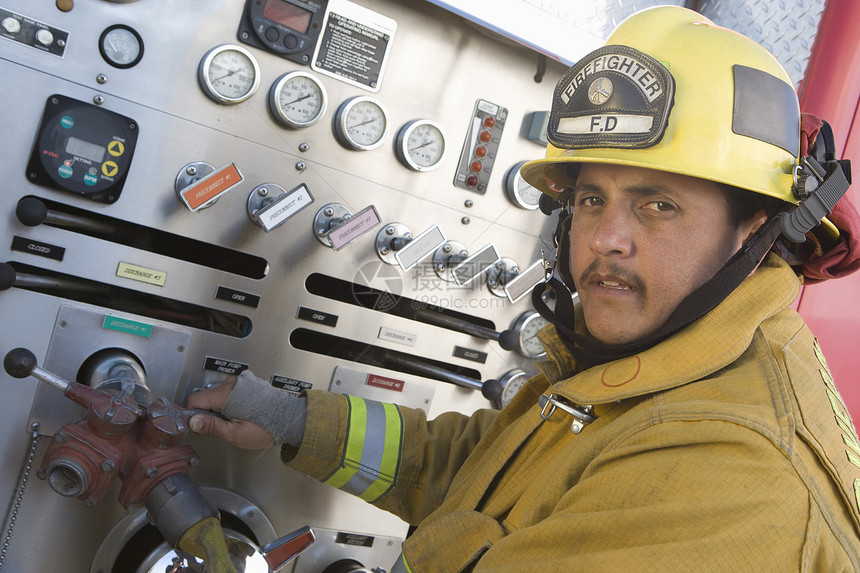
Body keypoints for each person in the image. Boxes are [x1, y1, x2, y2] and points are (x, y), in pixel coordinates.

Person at [188, 6, 860, 570]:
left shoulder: (728, 479)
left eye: (658, 204)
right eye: (592, 198)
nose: (604, 239)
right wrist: (294, 418)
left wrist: (198, 534)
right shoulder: (646, 368)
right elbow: (484, 475)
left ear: (753, 227)